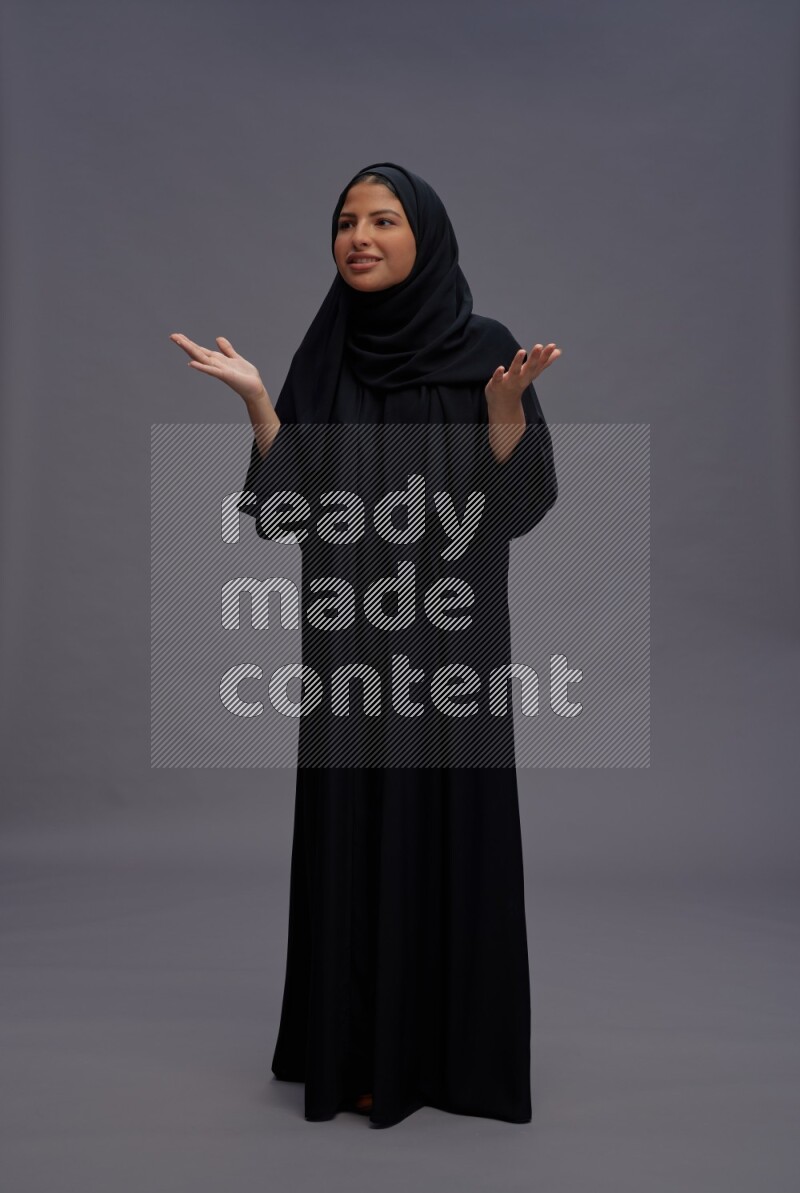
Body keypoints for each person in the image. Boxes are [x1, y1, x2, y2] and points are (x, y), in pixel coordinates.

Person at [170, 161, 560, 1128]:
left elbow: (513, 510)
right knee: (355, 826)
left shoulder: (489, 351)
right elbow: (287, 511)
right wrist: (262, 404)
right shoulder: (328, 351)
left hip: (453, 648)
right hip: (348, 646)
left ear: (424, 235)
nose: (360, 236)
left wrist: (504, 417)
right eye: (346, 221)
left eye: (384, 219)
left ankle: (438, 1056)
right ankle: (352, 1050)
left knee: (443, 828)